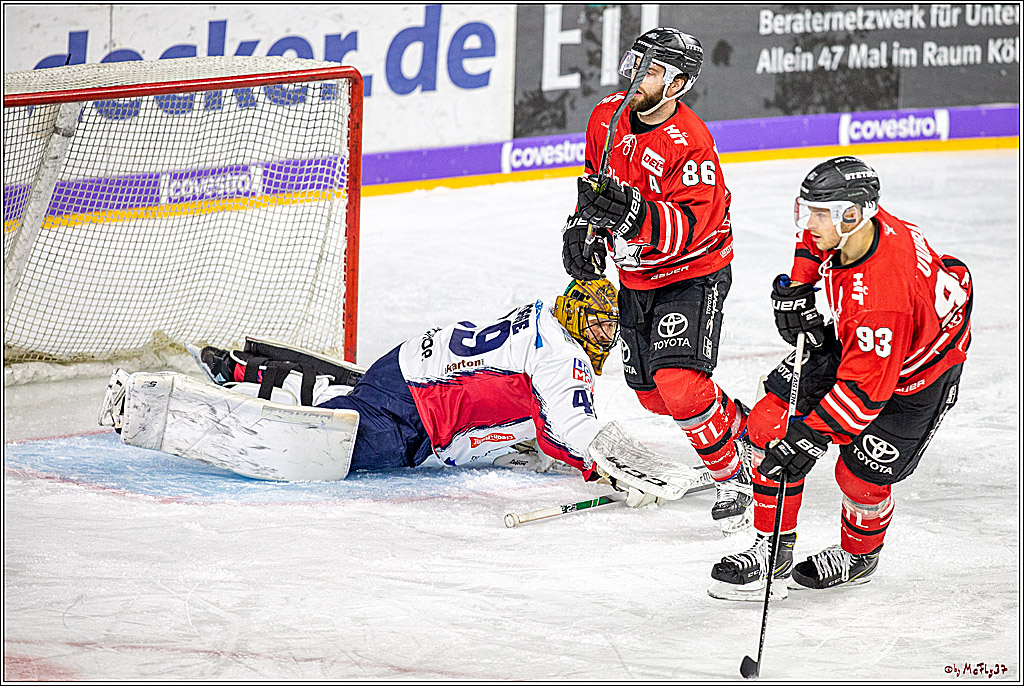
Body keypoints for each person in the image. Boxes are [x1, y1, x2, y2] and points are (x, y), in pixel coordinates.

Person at [99, 279, 681, 505]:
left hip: (407, 373)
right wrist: (635, 469)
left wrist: (585, 467)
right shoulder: (565, 356)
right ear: (581, 318)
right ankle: (148, 405)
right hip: (415, 411)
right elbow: (577, 431)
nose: (609, 337)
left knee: (348, 398)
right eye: (603, 325)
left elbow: (552, 434)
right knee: (327, 445)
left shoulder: (542, 321)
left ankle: (247, 368)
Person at [708, 156, 972, 600]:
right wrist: (798, 288)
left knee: (859, 477)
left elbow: (864, 394)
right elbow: (813, 245)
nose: (808, 223)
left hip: (918, 375)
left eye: (818, 214)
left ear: (854, 215)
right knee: (770, 426)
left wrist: (810, 438)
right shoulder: (851, 229)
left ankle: (859, 555)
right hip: (870, 349)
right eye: (807, 209)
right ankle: (772, 549)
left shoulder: (881, 297)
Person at [561, 27, 749, 533]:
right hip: (636, 276)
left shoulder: (691, 144)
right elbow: (596, 191)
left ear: (678, 84)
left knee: (681, 385)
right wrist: (585, 229)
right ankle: (744, 430)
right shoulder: (607, 117)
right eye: (637, 64)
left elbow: (690, 230)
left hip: (693, 274)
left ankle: (738, 476)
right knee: (652, 395)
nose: (637, 77)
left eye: (652, 70)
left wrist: (634, 217)